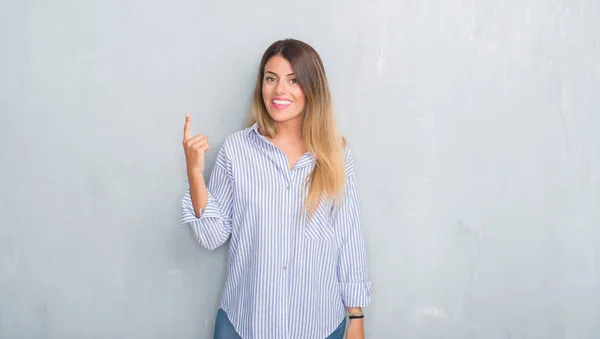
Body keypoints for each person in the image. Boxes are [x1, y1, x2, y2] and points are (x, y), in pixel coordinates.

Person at [181, 38, 371, 339]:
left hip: (318, 324)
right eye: (271, 79)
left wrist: (356, 316)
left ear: (312, 88)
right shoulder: (237, 150)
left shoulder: (336, 153)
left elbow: (348, 236)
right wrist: (194, 172)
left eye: (293, 81)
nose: (279, 90)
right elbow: (210, 236)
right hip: (245, 322)